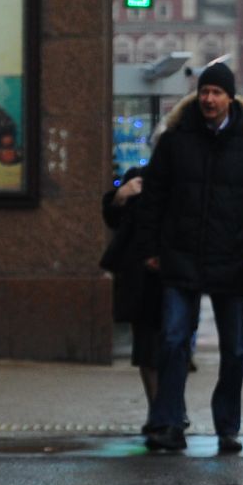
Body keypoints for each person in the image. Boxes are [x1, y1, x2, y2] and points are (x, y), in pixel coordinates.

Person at [134, 62, 243, 454]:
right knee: (172, 342)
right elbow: (152, 199)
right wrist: (150, 249)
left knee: (233, 349)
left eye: (217, 93)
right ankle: (168, 422)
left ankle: (227, 427)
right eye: (204, 92)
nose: (209, 99)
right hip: (179, 258)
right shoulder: (174, 141)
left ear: (230, 98)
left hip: (233, 259)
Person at [101, 166, 163, 427]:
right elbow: (114, 220)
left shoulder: (191, 174)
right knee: (147, 349)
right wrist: (120, 196)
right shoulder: (140, 176)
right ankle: (158, 411)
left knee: (173, 348)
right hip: (143, 278)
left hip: (178, 274)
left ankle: (170, 408)